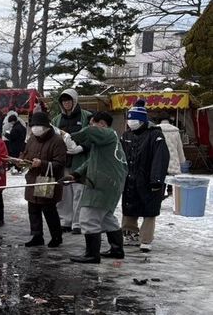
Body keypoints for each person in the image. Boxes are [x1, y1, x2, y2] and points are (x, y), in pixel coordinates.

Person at [63, 112, 128, 263]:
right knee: (106, 218)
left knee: (88, 216)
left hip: (102, 184)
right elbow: (91, 161)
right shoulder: (105, 143)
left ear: (102, 124)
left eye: (92, 123)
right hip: (108, 183)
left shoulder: (109, 134)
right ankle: (117, 249)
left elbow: (90, 132)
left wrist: (70, 136)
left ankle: (92, 254)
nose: (90, 127)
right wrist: (75, 175)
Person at [120, 100, 170, 253]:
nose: (130, 122)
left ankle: (146, 239)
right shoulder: (126, 135)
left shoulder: (155, 135)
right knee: (129, 208)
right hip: (130, 178)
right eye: (129, 119)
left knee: (149, 210)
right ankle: (130, 234)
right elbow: (120, 157)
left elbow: (160, 159)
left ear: (143, 121)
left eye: (133, 119)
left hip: (149, 180)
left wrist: (156, 180)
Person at [21, 111, 67, 248]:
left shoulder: (57, 140)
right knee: (33, 208)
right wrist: (21, 161)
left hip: (47, 179)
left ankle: (56, 236)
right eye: (33, 125)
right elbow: (26, 155)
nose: (35, 128)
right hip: (33, 178)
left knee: (48, 209)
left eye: (38, 125)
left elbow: (60, 163)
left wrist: (42, 163)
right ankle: (37, 235)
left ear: (46, 126)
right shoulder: (31, 139)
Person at [52, 89, 92, 235]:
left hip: (80, 161)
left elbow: (93, 135)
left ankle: (78, 222)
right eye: (63, 101)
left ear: (75, 101)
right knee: (64, 193)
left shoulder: (86, 116)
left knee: (79, 192)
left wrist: (82, 147)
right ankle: (65, 221)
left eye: (69, 100)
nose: (66, 103)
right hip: (63, 162)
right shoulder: (56, 120)